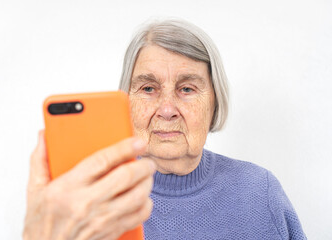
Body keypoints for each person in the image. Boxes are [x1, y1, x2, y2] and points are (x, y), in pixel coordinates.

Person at [24, 19, 307, 239]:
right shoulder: (90, 200)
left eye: (187, 88)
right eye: (148, 88)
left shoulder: (260, 191)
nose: (167, 108)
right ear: (126, 103)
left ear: (214, 102)